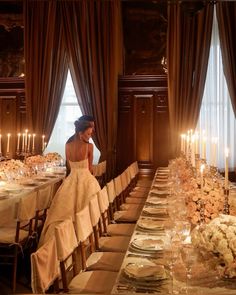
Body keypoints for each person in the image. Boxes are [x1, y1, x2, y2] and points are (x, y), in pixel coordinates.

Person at [38, 120, 101, 246]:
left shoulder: (67, 145)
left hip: (71, 179)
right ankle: (85, 242)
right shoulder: (89, 146)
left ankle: (60, 244)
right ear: (80, 133)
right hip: (86, 179)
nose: (90, 136)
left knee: (64, 212)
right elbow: (89, 168)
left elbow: (69, 167)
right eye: (88, 134)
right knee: (87, 211)